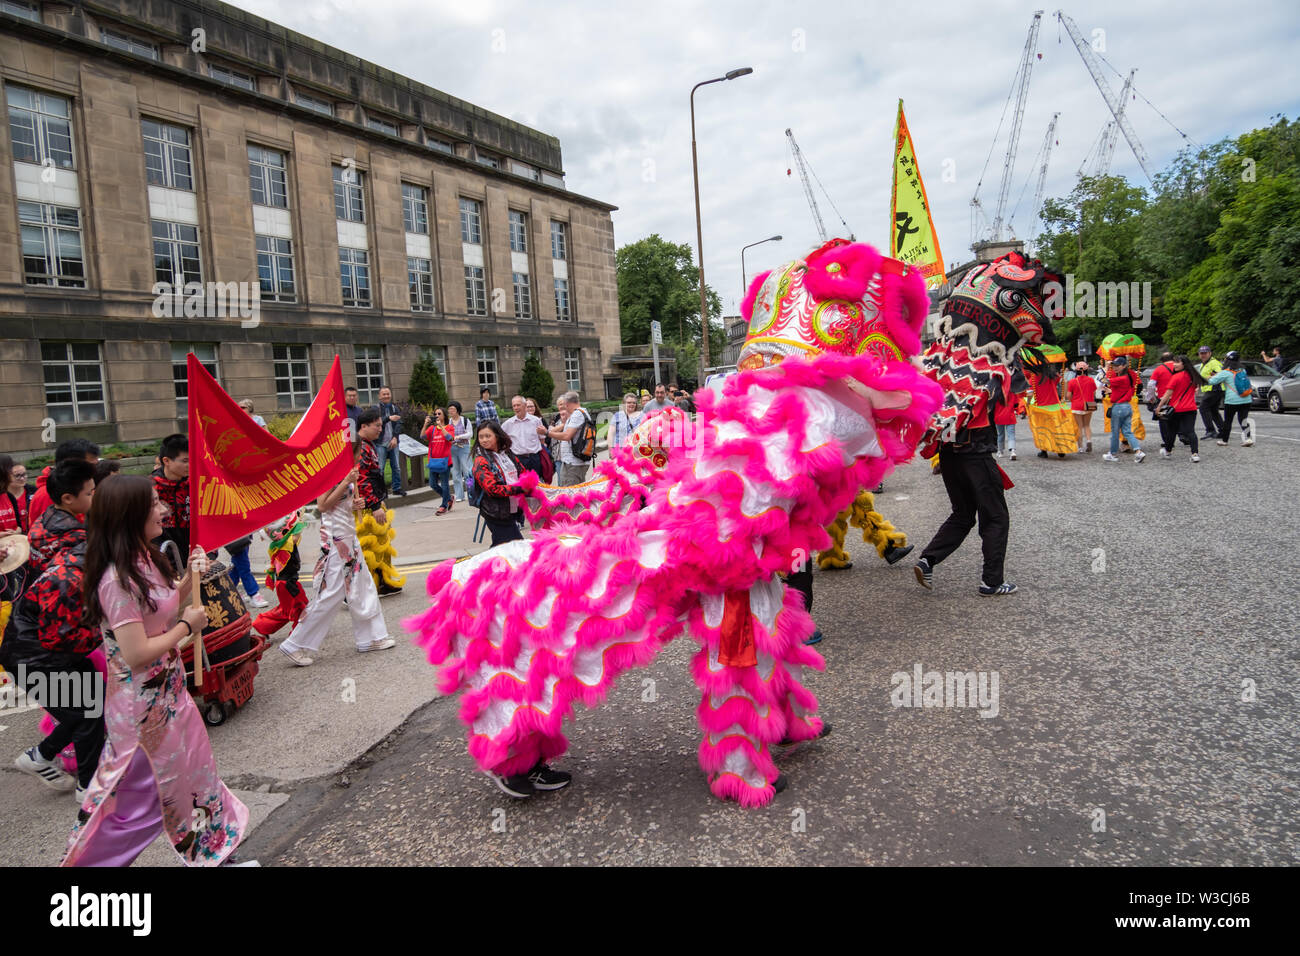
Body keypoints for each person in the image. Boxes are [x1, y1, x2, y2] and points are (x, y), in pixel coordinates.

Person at [65, 475, 250, 866]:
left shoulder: (144, 558)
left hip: (170, 697)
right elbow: (136, 653)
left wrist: (191, 579)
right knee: (139, 806)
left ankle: (215, 855)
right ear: (130, 514)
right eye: (153, 503)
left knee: (198, 778)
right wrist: (188, 627)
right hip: (141, 715)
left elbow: (163, 607)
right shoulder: (115, 579)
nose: (164, 509)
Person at [7, 463, 102, 801]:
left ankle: (43, 757)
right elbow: (62, 635)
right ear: (67, 497)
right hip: (37, 648)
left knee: (90, 704)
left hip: (46, 635)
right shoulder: (74, 551)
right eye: (91, 494)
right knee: (87, 712)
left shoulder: (46, 526)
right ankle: (88, 789)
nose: (96, 498)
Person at [278, 453, 395, 667]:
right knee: (330, 594)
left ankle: (370, 638)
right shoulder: (327, 472)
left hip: (348, 538)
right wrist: (346, 483)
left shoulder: (345, 470)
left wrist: (355, 504)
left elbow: (340, 505)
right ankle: (294, 643)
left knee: (363, 586)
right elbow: (322, 506)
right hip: (335, 541)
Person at [356, 409, 402, 597]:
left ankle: (383, 581)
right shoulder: (359, 447)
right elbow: (361, 479)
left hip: (374, 503)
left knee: (382, 544)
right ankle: (362, 589)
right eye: (377, 425)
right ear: (364, 426)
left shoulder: (368, 444)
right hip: (366, 508)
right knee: (369, 548)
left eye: (381, 426)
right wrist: (374, 506)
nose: (380, 430)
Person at [28, 458, 96, 579]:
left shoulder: (43, 519)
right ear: (68, 498)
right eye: (89, 493)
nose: (94, 496)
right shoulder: (75, 538)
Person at [470, 422, 529, 546]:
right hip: (496, 513)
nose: (484, 440)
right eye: (481, 437)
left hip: (512, 510)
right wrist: (519, 489)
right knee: (515, 547)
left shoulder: (507, 454)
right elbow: (492, 489)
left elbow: (523, 472)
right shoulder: (481, 461)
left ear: (497, 436)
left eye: (488, 436)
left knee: (502, 548)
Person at [28, 438, 99, 526]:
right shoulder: (47, 495)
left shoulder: (85, 486)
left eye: (97, 465)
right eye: (90, 466)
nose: (95, 471)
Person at [1155, 355, 1204, 462]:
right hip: (1191, 408)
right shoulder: (1193, 377)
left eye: (1177, 362)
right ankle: (1195, 454)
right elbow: (1196, 389)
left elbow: (1168, 394)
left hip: (1176, 409)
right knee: (1190, 431)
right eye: (1174, 362)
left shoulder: (1176, 377)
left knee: (1171, 431)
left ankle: (1168, 451)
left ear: (1184, 364)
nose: (1174, 364)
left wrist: (1159, 406)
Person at [151, 434, 191, 565]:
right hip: (164, 560)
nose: (190, 465)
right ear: (166, 461)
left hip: (195, 559)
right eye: (185, 461)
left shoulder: (195, 485)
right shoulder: (151, 487)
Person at [1101, 356, 1146, 463]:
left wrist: (1106, 369)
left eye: (1117, 365)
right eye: (1114, 365)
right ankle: (1138, 452)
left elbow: (1103, 380)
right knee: (1127, 431)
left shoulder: (1120, 378)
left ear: (1124, 365)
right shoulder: (1129, 377)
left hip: (1119, 407)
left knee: (1115, 432)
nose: (1115, 368)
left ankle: (1112, 454)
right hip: (1127, 406)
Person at [1210, 351, 1255, 447]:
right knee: (1243, 419)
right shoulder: (1243, 370)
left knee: (1228, 421)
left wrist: (1211, 376)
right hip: (1246, 399)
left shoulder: (1225, 372)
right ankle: (1249, 438)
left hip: (1232, 401)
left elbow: (1212, 381)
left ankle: (1224, 441)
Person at [548, 390, 592, 486]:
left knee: (570, 494)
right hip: (576, 461)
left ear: (567, 404)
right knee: (577, 493)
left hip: (573, 463)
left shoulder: (577, 414)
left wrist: (548, 433)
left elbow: (567, 436)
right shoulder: (583, 412)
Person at [501, 394, 546, 476]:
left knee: (537, 485)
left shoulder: (536, 421)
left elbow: (542, 440)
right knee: (521, 486)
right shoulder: (507, 424)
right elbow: (502, 442)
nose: (516, 408)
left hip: (534, 459)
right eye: (514, 406)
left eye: (518, 405)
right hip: (518, 459)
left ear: (525, 405)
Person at [422, 407, 455, 514]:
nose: (437, 415)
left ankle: (443, 505)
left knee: (445, 484)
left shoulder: (449, 427)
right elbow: (422, 436)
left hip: (445, 461)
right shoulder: (432, 428)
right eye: (435, 414)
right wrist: (425, 424)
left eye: (439, 413)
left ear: (444, 415)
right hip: (433, 461)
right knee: (433, 484)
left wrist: (441, 426)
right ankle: (449, 498)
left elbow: (450, 438)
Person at [375, 385, 406, 498]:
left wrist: (395, 438)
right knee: (380, 468)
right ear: (379, 396)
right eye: (384, 394)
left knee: (396, 467)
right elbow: (375, 422)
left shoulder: (394, 408)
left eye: (388, 394)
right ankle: (382, 491)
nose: (386, 396)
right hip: (380, 443)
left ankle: (397, 488)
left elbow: (399, 423)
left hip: (393, 442)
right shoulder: (376, 409)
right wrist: (388, 418)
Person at [224, 534, 269, 609]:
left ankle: (228, 592)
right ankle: (253, 594)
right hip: (236, 533)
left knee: (237, 566)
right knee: (243, 566)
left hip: (241, 534)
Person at [1148, 351, 1179, 446]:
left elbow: (1151, 385)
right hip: (1178, 396)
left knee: (1164, 419)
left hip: (1163, 397)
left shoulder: (1158, 369)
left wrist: (1151, 397)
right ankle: (1184, 436)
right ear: (1173, 358)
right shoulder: (1179, 367)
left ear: (1162, 360)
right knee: (1179, 417)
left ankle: (1168, 441)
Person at [1067, 361, 1098, 453]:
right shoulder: (1091, 380)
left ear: (1076, 371)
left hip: (1076, 406)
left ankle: (1080, 447)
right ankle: (1089, 441)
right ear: (1086, 369)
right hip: (1089, 405)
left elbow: (1068, 396)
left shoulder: (1072, 381)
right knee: (1087, 425)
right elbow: (1094, 393)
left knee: (1079, 426)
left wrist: (1074, 400)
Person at [1, 454, 35, 534]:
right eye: (17, 476)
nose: (22, 478)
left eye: (24, 474)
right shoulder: (4, 496)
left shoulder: (34, 492)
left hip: (32, 536)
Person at [1195, 346, 1225, 439]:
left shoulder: (1214, 363)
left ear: (1210, 353)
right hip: (1211, 389)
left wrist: (1210, 377)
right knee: (1213, 410)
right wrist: (1198, 387)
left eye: (1205, 353)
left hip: (1215, 389)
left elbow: (1221, 373)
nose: (1203, 355)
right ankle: (1223, 430)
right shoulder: (1203, 364)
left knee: (1203, 408)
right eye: (1201, 353)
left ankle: (1210, 430)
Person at [448, 400, 473, 502]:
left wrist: (459, 436)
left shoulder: (465, 420)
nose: (450, 411)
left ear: (458, 410)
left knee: (468, 471)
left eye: (452, 409)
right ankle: (459, 495)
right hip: (452, 449)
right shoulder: (448, 422)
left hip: (464, 448)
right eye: (449, 409)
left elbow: (470, 434)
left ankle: (472, 493)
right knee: (455, 472)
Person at [993, 387, 1020, 461]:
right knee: (1011, 435)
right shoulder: (1012, 391)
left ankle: (1000, 451)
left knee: (1000, 434)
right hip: (1010, 416)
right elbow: (1016, 404)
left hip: (998, 417)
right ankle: (1013, 451)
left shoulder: (995, 392)